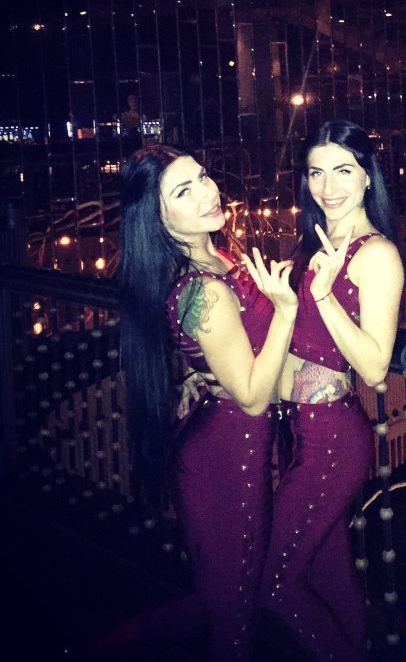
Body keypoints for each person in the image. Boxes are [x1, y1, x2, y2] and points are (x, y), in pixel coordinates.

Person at [94, 145, 297, 662]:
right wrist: (286, 311)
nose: (208, 192)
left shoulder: (220, 256)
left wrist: (200, 374)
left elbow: (223, 350)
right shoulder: (202, 288)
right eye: (184, 192)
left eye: (203, 177)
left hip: (233, 445)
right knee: (234, 618)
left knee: (224, 600)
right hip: (225, 458)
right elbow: (252, 396)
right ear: (158, 219)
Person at [261, 120, 404, 662]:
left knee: (273, 582)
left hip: (332, 443)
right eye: (316, 172)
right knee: (329, 573)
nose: (328, 187)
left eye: (343, 171)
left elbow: (374, 366)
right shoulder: (313, 244)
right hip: (295, 433)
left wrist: (322, 296)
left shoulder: (376, 254)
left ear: (368, 177)